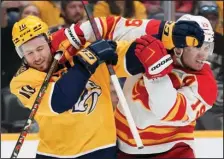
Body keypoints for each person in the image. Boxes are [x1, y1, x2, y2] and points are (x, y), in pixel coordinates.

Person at [10, 15, 121, 159]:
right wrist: (87, 61)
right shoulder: (21, 80)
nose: (37, 57)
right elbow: (59, 101)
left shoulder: (81, 51)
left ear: (49, 42)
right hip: (53, 154)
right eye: (29, 53)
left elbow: (130, 59)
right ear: (22, 55)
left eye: (40, 48)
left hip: (100, 148)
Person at [115, 14, 217, 158]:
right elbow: (119, 28)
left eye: (207, 47)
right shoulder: (155, 41)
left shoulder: (205, 83)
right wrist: (82, 33)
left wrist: (156, 71)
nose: (203, 55)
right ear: (179, 46)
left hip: (173, 152)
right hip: (122, 150)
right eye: (197, 47)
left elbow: (167, 110)